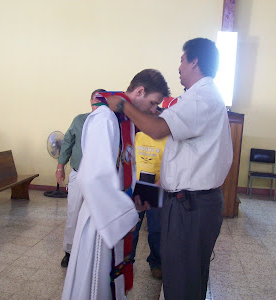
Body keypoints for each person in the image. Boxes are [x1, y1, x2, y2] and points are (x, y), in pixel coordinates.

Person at [107, 38, 233, 300]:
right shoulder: (199, 96)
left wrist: (121, 104)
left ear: (194, 61)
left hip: (191, 206)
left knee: (181, 281)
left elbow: (155, 129)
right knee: (184, 276)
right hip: (188, 201)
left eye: (182, 60)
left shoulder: (201, 97)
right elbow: (183, 160)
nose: (179, 67)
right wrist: (149, 196)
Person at [62, 69, 170, 300]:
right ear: (140, 91)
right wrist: (129, 211)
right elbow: (92, 179)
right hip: (100, 222)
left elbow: (123, 173)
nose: (153, 111)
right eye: (153, 103)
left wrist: (145, 197)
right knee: (96, 285)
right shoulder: (105, 119)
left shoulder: (125, 121)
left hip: (113, 215)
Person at [56, 88, 106, 268]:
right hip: (78, 173)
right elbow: (67, 143)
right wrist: (60, 167)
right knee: (73, 212)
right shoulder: (79, 120)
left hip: (99, 178)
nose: (98, 102)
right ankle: (69, 251)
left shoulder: (109, 121)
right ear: (90, 101)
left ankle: (92, 252)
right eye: (95, 99)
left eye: (102, 99)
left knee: (96, 215)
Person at [131, 130, 167, 280]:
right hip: (135, 188)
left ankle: (156, 263)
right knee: (131, 228)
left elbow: (169, 167)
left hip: (156, 188)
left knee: (156, 229)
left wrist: (155, 187)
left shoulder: (167, 139)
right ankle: (127, 261)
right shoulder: (137, 136)